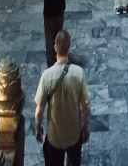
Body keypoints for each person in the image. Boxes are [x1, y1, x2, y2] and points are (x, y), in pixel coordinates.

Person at [34, 29, 90, 166]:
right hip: (74, 135)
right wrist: (85, 127)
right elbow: (85, 108)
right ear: (69, 47)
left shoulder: (47, 76)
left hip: (55, 137)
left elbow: (39, 110)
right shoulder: (79, 73)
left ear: (55, 47)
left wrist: (38, 128)